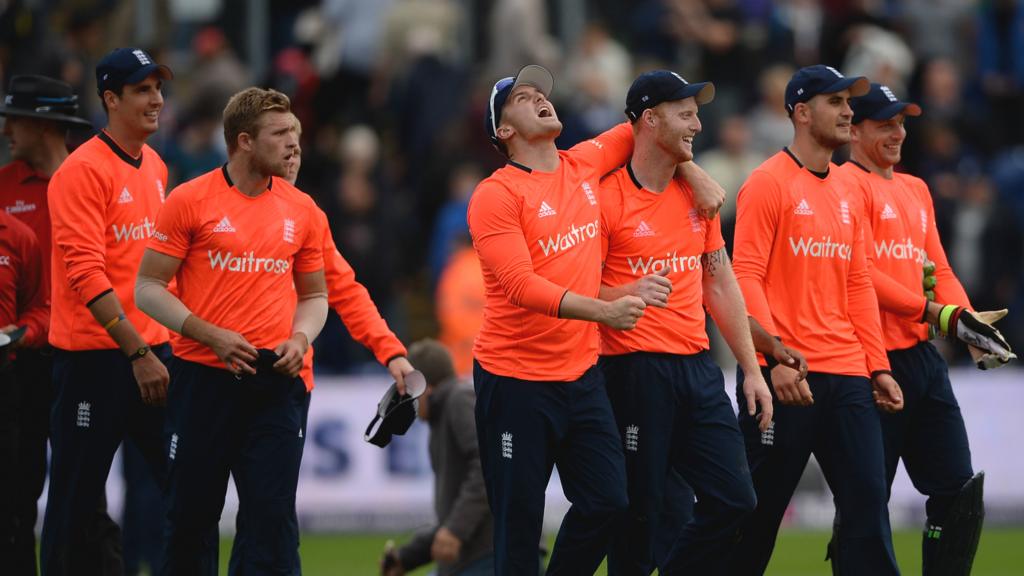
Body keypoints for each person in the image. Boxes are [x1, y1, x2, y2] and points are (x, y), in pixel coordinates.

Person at [468, 64, 724, 575]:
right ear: (504, 130)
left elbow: (654, 132)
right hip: (515, 382)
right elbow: (522, 286)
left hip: (580, 378)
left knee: (610, 503)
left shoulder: (584, 162)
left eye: (542, 91)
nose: (541, 97)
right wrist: (605, 309)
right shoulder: (496, 195)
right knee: (519, 530)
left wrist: (693, 171)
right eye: (523, 97)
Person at [134, 87, 328, 574]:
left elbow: (314, 297)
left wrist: (300, 339)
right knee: (190, 520)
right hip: (204, 378)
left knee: (270, 521)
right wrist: (210, 335)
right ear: (244, 141)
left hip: (275, 382)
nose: (293, 144)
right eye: (280, 134)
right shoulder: (190, 200)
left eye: (296, 133)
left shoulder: (302, 209)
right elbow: (148, 288)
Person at [832, 83, 1015, 574]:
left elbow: (941, 268)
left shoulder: (915, 189)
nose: (899, 133)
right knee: (865, 504)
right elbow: (860, 274)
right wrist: (937, 313)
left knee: (957, 494)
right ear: (855, 129)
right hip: (869, 361)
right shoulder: (844, 184)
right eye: (885, 123)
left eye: (902, 122)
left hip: (920, 359)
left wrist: (969, 324)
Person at [729, 65, 904, 575]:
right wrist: (770, 359)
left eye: (850, 102)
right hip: (788, 376)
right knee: (755, 519)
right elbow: (746, 278)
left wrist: (878, 366)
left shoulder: (850, 191)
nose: (849, 111)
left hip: (848, 375)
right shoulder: (766, 183)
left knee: (869, 509)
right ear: (802, 113)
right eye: (836, 102)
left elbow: (857, 285)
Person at [596, 70, 773, 575]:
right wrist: (625, 294)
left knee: (737, 500)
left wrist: (752, 369)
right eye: (685, 111)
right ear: (649, 119)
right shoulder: (606, 196)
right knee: (639, 515)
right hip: (632, 370)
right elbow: (577, 288)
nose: (698, 121)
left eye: (697, 110)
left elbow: (719, 282)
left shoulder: (699, 197)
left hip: (696, 369)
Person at [41, 48, 174, 576]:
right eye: (142, 90)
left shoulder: (156, 166)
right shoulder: (81, 173)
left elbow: (158, 270)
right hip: (96, 361)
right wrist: (138, 350)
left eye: (158, 89)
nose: (157, 100)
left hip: (153, 354)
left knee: (184, 489)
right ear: (110, 99)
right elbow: (86, 274)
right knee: (75, 501)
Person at [0, 74, 103, 576]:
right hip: (18, 365)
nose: (5, 131)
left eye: (13, 119)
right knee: (16, 495)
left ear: (42, 124)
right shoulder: (2, 188)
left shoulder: (96, 179)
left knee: (85, 494)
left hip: (84, 357)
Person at [381, 339, 493, 576]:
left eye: (407, 392)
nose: (404, 402)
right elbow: (452, 518)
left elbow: (488, 466)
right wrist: (406, 558)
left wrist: (456, 530)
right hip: (481, 552)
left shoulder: (459, 399)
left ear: (426, 387)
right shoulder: (448, 407)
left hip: (492, 554)